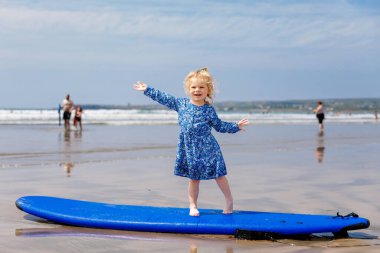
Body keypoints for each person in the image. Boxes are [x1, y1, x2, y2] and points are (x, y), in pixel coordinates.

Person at [133, 67, 249, 216]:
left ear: (208, 90)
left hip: (208, 147)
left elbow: (219, 126)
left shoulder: (209, 110)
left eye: (201, 87)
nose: (197, 90)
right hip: (190, 149)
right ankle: (193, 206)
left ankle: (229, 201)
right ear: (188, 89)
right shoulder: (181, 104)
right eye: (193, 87)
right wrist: (147, 89)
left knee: (219, 175)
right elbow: (164, 97)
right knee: (194, 179)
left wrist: (236, 127)